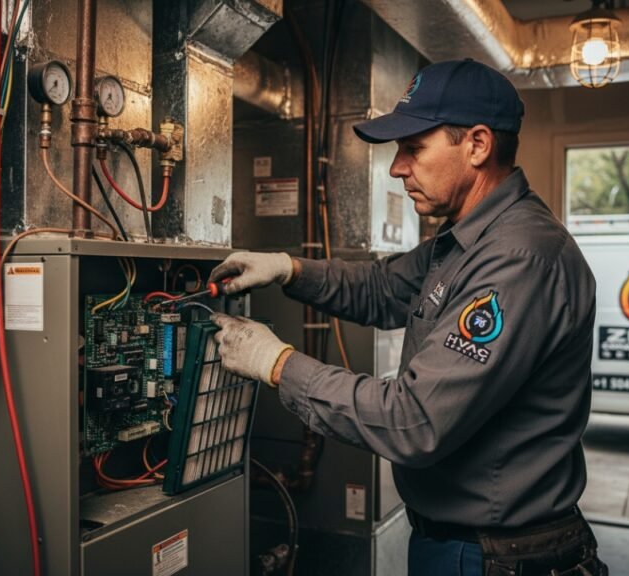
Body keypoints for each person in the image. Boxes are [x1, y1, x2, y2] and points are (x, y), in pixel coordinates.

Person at [210, 58, 607, 576]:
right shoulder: (468, 237)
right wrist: (287, 268)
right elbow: (382, 288)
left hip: (497, 556)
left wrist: (276, 362)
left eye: (414, 148)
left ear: (478, 145)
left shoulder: (519, 257)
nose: (397, 168)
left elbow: (412, 420)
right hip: (461, 543)